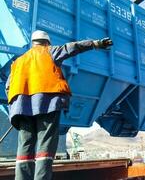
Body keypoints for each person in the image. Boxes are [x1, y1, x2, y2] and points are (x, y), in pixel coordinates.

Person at [5, 30, 113, 180]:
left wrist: (18, 104)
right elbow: (72, 47)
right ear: (46, 43)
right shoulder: (49, 51)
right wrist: (95, 44)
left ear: (33, 43)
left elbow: (8, 87)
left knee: (25, 145)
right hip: (47, 102)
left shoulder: (17, 62)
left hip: (20, 107)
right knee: (46, 142)